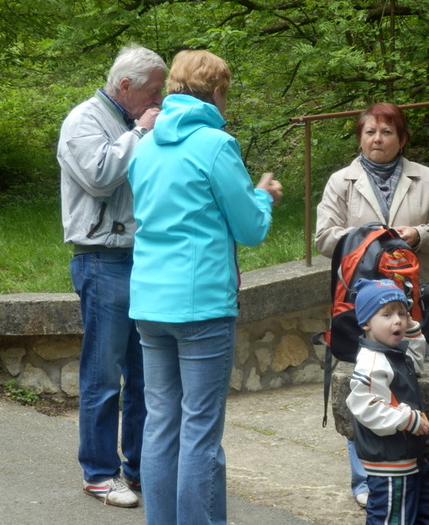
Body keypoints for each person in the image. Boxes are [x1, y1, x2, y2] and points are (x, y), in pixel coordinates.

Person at [127, 50, 282, 525]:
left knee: (161, 423)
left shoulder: (144, 145)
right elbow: (250, 228)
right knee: (200, 432)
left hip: (148, 303)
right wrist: (263, 196)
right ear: (216, 93)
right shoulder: (215, 144)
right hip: (201, 307)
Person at [315, 102, 429, 507]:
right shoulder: (342, 181)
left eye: (386, 132)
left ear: (402, 138)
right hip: (359, 305)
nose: (377, 139)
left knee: (408, 380)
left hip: (409, 302)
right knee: (365, 384)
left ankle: (408, 468)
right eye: (370, 132)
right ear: (360, 138)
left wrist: (418, 235)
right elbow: (323, 237)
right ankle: (364, 477)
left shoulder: (424, 178)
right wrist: (368, 239)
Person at [57, 44, 167, 508]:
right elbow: (100, 176)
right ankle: (99, 473)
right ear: (126, 86)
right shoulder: (83, 121)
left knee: (143, 375)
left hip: (143, 260)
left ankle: (141, 469)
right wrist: (142, 133)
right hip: (102, 261)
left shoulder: (133, 122)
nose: (159, 99)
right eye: (154, 91)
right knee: (103, 376)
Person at [346, 278, 429, 525]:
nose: (398, 320)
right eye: (387, 314)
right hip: (390, 465)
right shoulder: (372, 362)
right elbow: (365, 406)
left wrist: (413, 331)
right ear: (366, 323)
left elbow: (416, 362)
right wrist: (408, 419)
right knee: (392, 519)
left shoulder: (391, 353)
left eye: (402, 313)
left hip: (409, 458)